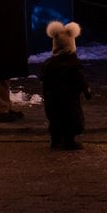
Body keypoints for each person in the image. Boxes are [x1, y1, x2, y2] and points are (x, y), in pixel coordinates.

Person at [41, 20, 90, 149]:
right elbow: (80, 78)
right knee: (71, 119)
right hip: (70, 99)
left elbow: (43, 79)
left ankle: (56, 140)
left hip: (52, 99)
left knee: (55, 119)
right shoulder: (73, 64)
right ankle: (69, 141)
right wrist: (86, 90)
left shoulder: (49, 64)